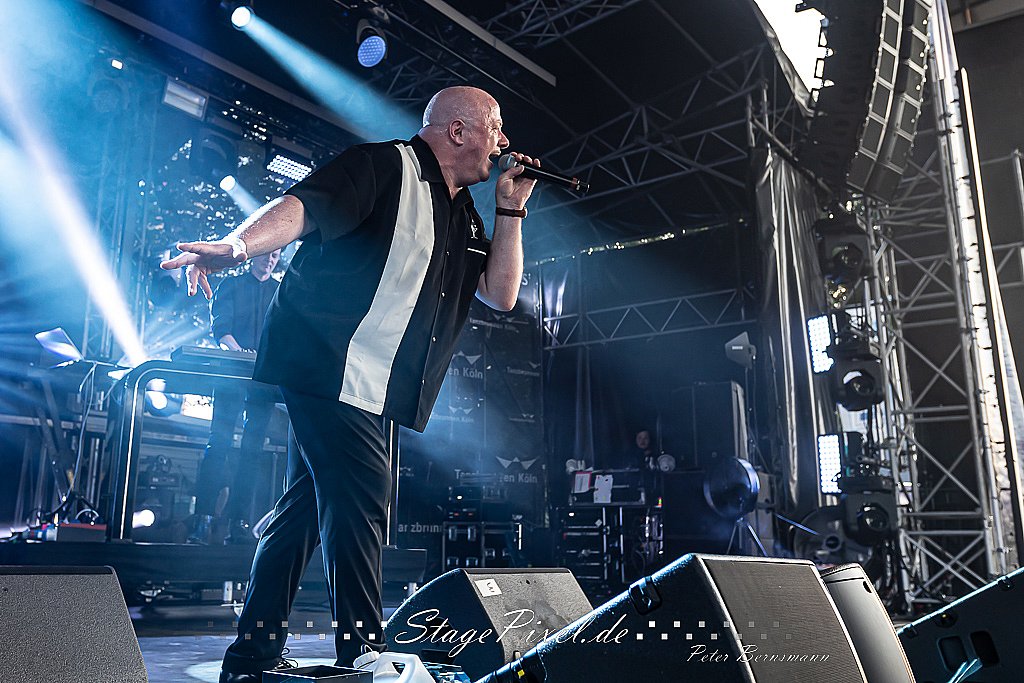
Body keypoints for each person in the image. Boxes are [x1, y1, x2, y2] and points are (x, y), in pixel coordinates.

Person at [161, 85, 538, 683]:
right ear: (458, 131)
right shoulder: (382, 165)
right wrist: (236, 246)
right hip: (325, 359)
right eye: (496, 126)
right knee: (364, 491)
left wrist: (511, 210)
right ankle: (364, 651)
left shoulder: (462, 210)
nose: (504, 140)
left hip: (375, 385)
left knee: (303, 512)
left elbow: (501, 292)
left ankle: (251, 656)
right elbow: (301, 207)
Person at [187, 248, 282, 545]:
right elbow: (221, 328)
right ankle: (203, 519)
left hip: (264, 377)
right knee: (219, 442)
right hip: (231, 373)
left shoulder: (280, 292)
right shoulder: (231, 285)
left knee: (253, 449)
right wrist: (239, 352)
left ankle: (239, 522)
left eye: (276, 256)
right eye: (267, 254)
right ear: (255, 256)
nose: (270, 260)